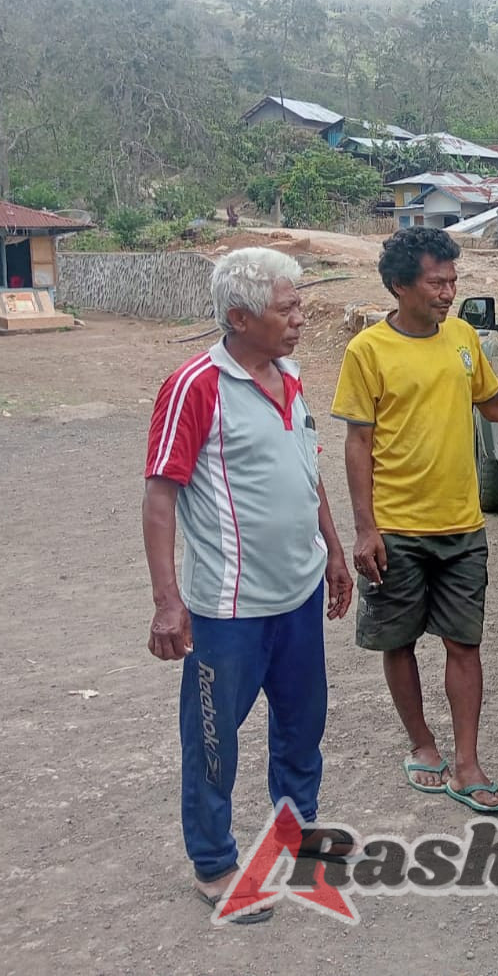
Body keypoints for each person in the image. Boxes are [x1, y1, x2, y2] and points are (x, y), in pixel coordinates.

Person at [331, 227, 498, 813]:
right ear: (399, 285)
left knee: (464, 643)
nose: (448, 292)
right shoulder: (367, 352)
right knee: (397, 641)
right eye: (436, 282)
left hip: (461, 526)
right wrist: (365, 527)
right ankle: (422, 745)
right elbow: (357, 441)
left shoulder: (464, 337)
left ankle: (467, 762)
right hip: (396, 527)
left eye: (453, 281)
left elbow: (491, 403)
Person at [142, 247, 354, 923]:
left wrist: (333, 551)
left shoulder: (288, 373)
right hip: (227, 610)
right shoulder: (195, 385)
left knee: (301, 729)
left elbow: (306, 467)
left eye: (299, 305)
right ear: (238, 316)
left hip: (295, 599)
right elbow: (159, 496)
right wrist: (168, 600)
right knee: (213, 740)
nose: (300, 319)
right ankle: (214, 861)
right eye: (286, 308)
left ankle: (297, 843)